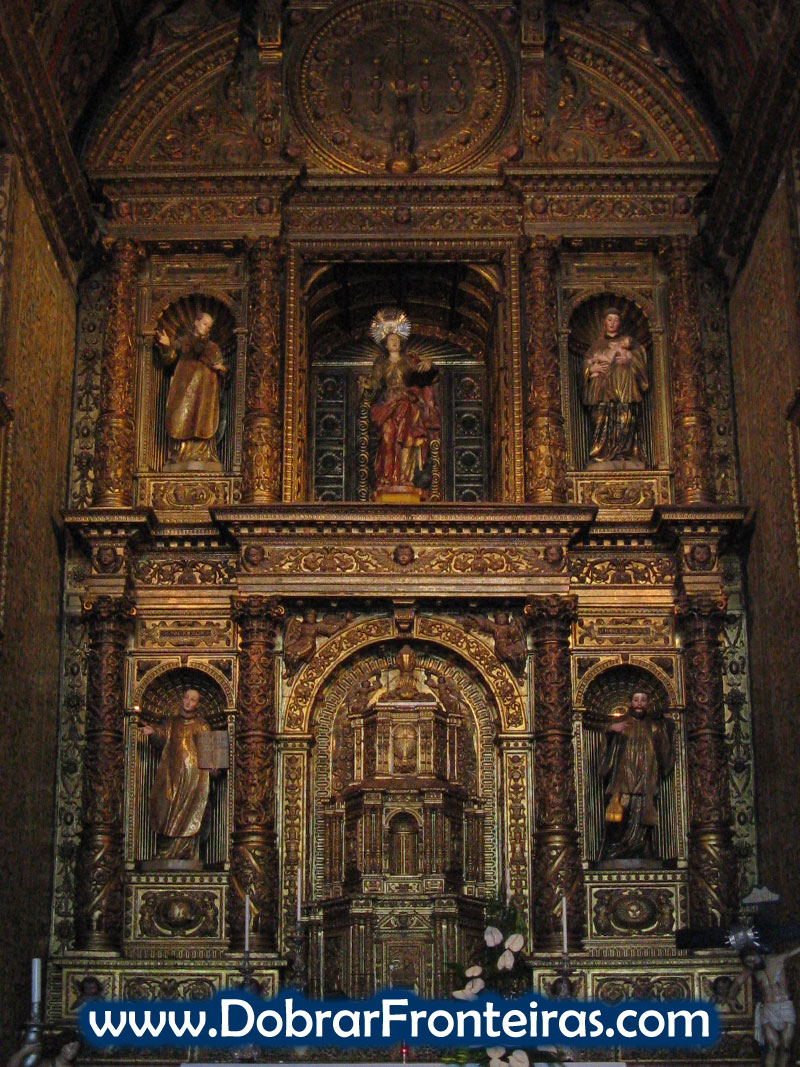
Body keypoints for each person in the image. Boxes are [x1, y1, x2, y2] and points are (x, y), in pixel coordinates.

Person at [363, 308, 440, 498]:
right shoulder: (381, 363)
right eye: (390, 340)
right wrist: (367, 385)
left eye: (397, 339)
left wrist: (429, 364)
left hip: (406, 404)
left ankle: (405, 478)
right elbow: (375, 383)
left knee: (408, 441)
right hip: (388, 405)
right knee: (388, 439)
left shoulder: (408, 361)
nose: (394, 341)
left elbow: (425, 373)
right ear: (385, 344)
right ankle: (387, 478)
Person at [138, 688, 212, 864]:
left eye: (193, 699)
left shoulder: (201, 725)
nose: (188, 702)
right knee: (167, 809)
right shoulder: (171, 723)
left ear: (197, 704)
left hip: (194, 777)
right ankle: (166, 851)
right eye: (186, 697)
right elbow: (162, 736)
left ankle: (185, 850)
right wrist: (153, 732)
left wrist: (213, 766)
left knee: (190, 811)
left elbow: (208, 750)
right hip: (172, 774)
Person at [598, 689, 674, 860]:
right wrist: (611, 729)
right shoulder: (622, 723)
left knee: (643, 819)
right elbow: (606, 746)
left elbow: (664, 751)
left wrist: (669, 728)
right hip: (623, 780)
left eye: (643, 700)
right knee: (621, 817)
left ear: (648, 703)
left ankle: (642, 849)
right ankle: (618, 849)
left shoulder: (654, 726)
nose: (639, 703)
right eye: (636, 700)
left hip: (646, 779)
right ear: (630, 702)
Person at [155, 309, 227, 472]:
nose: (206, 328)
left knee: (204, 420)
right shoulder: (183, 341)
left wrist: (221, 368)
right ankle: (180, 454)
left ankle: (203, 454)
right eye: (204, 323)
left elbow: (224, 371)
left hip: (205, 392)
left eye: (209, 326)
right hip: (184, 389)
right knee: (182, 417)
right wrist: (166, 346)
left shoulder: (212, 347)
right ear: (196, 322)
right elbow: (169, 359)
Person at [582, 306, 649, 467]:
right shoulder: (597, 345)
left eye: (616, 320)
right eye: (609, 320)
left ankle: (624, 453)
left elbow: (641, 361)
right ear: (604, 322)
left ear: (620, 323)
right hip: (602, 393)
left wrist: (630, 360)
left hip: (625, 390)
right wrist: (591, 369)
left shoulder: (630, 345)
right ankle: (602, 453)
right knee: (602, 419)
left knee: (625, 419)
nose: (612, 323)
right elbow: (587, 364)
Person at [727, 947, 800, 1067]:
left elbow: (793, 951)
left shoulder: (777, 960)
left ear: (759, 955)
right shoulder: (752, 969)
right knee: (773, 1046)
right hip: (768, 1009)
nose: (752, 964)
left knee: (785, 1046)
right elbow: (737, 983)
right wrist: (731, 998)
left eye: (753, 960)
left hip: (785, 1006)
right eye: (748, 962)